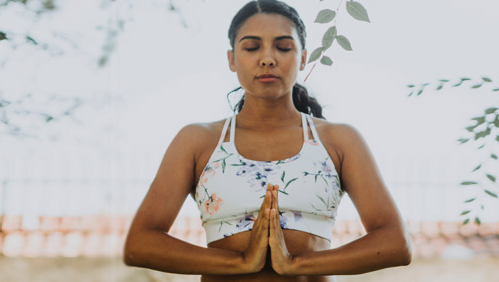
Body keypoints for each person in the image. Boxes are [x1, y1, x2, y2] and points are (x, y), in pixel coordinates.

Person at [123, 0, 412, 280]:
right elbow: (140, 245)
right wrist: (241, 262)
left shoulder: (338, 141)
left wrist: (295, 264)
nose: (267, 58)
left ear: (302, 57)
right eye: (251, 47)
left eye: (283, 47)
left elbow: (395, 243)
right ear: (232, 59)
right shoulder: (198, 141)